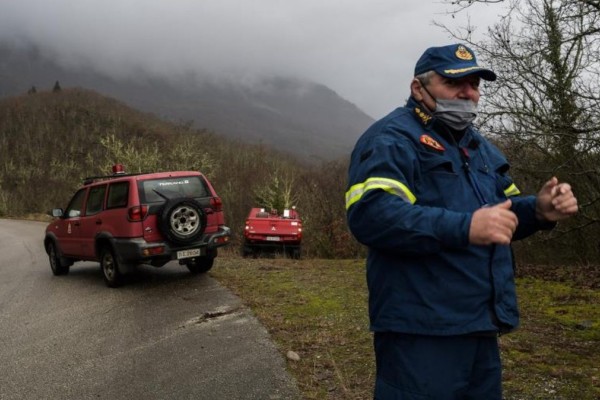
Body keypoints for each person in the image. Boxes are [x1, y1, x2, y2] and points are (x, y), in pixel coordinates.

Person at [344, 43, 578, 399]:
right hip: (421, 329)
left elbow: (503, 212)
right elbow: (373, 214)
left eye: (474, 84)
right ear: (418, 88)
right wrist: (465, 227)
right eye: (454, 82)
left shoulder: (480, 147)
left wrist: (539, 211)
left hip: (480, 323)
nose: (468, 92)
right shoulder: (391, 138)